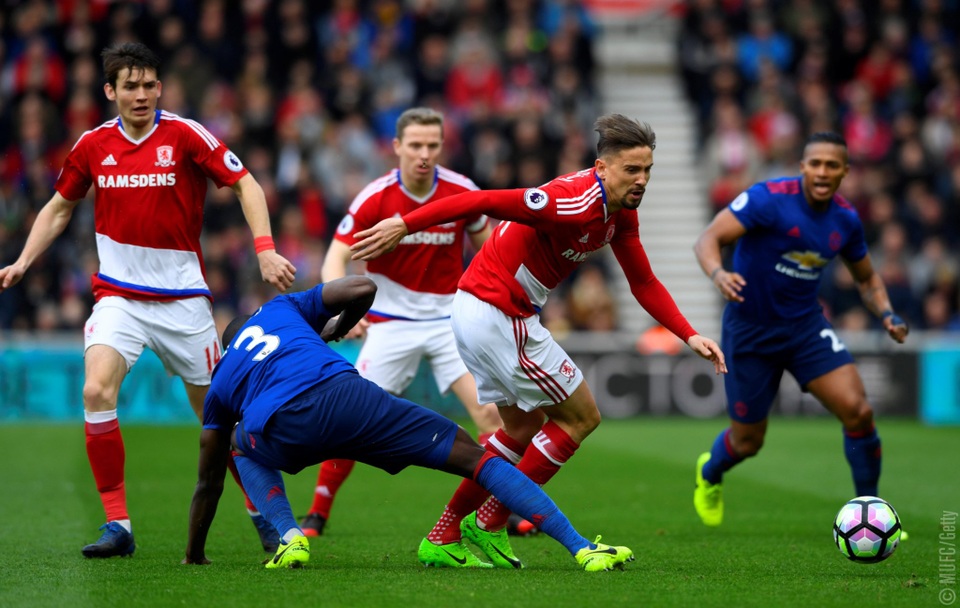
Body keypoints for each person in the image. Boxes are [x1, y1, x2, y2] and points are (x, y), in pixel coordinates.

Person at [350, 113, 727, 568]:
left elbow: (643, 281)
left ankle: (444, 534)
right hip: (497, 312)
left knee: (520, 429)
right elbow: (481, 200)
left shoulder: (620, 213)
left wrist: (688, 334)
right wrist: (404, 225)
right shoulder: (569, 201)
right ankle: (490, 521)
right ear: (602, 167)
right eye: (632, 169)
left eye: (647, 170)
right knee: (581, 418)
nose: (642, 180)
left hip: (481, 311)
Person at [0, 42, 297, 558]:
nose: (141, 95)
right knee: (96, 390)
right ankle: (118, 525)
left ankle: (263, 516)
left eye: (148, 85)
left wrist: (265, 249)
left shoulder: (185, 135)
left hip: (184, 302)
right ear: (109, 91)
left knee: (221, 418)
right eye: (130, 86)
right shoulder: (92, 145)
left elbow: (246, 183)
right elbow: (58, 208)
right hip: (120, 298)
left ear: (159, 87)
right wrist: (24, 259)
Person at [182, 275, 634, 572]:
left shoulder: (221, 377)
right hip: (349, 399)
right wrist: (335, 330)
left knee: (237, 446)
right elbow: (362, 287)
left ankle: (290, 535)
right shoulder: (282, 309)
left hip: (282, 427)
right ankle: (580, 548)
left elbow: (207, 479)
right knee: (474, 457)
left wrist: (194, 553)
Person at [298, 107, 521, 538]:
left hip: (451, 320)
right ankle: (318, 512)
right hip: (390, 324)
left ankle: (496, 512)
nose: (424, 154)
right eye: (416, 145)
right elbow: (334, 258)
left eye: (432, 145)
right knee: (351, 420)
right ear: (397, 146)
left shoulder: (462, 190)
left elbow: (491, 252)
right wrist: (343, 312)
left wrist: (496, 303)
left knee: (490, 415)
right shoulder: (374, 197)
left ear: (442, 146)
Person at [690, 132, 909, 527]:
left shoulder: (845, 220)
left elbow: (866, 279)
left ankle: (872, 514)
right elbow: (709, 238)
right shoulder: (767, 199)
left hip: (805, 329)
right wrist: (719, 273)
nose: (823, 172)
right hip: (750, 331)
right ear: (803, 167)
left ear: (845, 171)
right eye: (816, 164)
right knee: (747, 442)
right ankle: (710, 472)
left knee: (859, 412)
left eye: (832, 165)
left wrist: (887, 314)